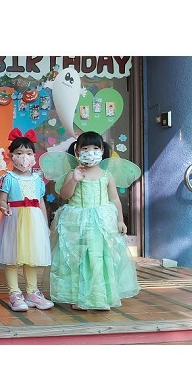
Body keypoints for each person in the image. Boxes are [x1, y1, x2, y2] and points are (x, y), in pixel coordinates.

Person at [48, 131, 140, 310]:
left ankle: (99, 298)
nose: (90, 152)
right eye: (85, 148)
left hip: (100, 223)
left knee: (99, 257)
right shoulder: (73, 173)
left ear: (102, 150)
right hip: (76, 222)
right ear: (77, 151)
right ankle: (78, 298)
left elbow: (114, 199)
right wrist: (74, 180)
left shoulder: (106, 175)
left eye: (95, 148)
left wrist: (120, 220)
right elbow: (65, 195)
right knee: (77, 258)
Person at [0, 129, 53, 311]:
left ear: (34, 156)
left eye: (28, 153)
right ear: (11, 156)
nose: (24, 157)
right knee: (12, 257)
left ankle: (32, 292)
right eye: (19, 153)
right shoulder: (7, 178)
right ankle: (14, 293)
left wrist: (45, 224)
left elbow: (40, 203)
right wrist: (4, 208)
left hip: (34, 222)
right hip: (14, 220)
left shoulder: (38, 180)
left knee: (31, 257)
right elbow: (2, 200)